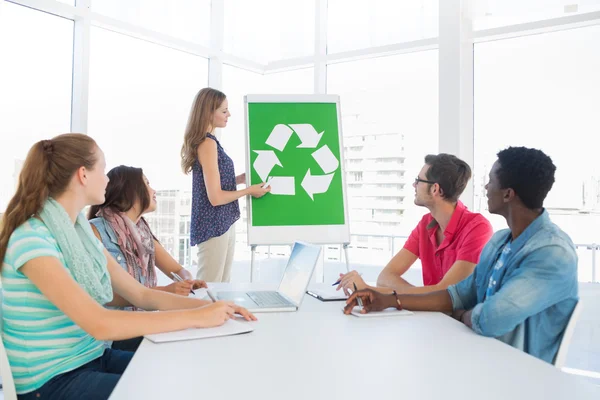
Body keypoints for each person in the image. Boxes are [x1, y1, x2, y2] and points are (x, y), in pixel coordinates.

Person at [0, 134, 256, 400]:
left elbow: (142, 295)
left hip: (92, 358)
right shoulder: (32, 238)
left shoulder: (79, 234)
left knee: (183, 372)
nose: (107, 179)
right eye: (102, 169)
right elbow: (100, 323)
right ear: (83, 175)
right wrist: (198, 317)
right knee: (170, 390)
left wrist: (213, 308)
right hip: (51, 381)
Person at [344, 147, 579, 364]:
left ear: (508, 194)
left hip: (519, 373)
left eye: (491, 181)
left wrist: (461, 314)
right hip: (480, 354)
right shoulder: (500, 241)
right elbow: (458, 293)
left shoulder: (552, 253)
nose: (486, 188)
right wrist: (389, 300)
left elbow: (491, 318)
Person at [88, 165, 208, 351]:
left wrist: (186, 281)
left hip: (142, 322)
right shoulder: (94, 231)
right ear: (130, 191)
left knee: (191, 337)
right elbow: (99, 295)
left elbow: (176, 269)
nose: (154, 191)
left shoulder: (144, 234)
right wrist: (166, 291)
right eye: (147, 183)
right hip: (116, 333)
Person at [337, 154, 493, 295]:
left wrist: (370, 290)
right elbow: (385, 277)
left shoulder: (477, 228)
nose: (414, 185)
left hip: (460, 324)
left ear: (435, 189)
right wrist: (420, 296)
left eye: (418, 180)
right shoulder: (426, 224)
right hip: (431, 319)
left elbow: (446, 295)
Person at [181, 87, 270, 282]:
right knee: (210, 291)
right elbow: (215, 197)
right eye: (223, 111)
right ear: (208, 112)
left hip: (222, 224)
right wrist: (249, 191)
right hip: (214, 225)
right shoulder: (207, 144)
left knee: (221, 288)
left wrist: (239, 179)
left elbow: (213, 184)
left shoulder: (210, 142)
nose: (228, 114)